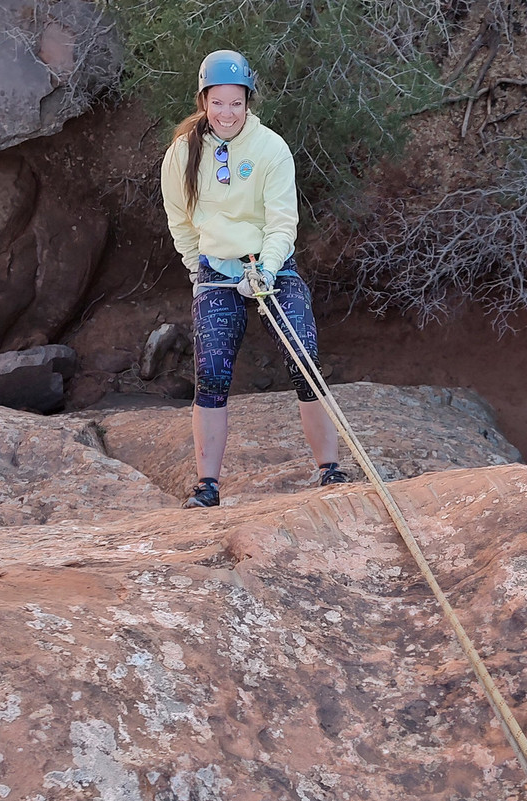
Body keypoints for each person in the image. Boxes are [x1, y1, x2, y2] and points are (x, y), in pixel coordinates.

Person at [160, 49, 349, 509]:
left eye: (236, 104)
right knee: (211, 373)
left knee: (304, 360)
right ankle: (207, 487)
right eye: (218, 103)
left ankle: (330, 469)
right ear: (204, 100)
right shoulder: (182, 152)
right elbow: (179, 218)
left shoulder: (271, 149)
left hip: (270, 266)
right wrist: (195, 266)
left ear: (249, 101)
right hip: (215, 270)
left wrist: (264, 268)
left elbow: (283, 221)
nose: (227, 114)